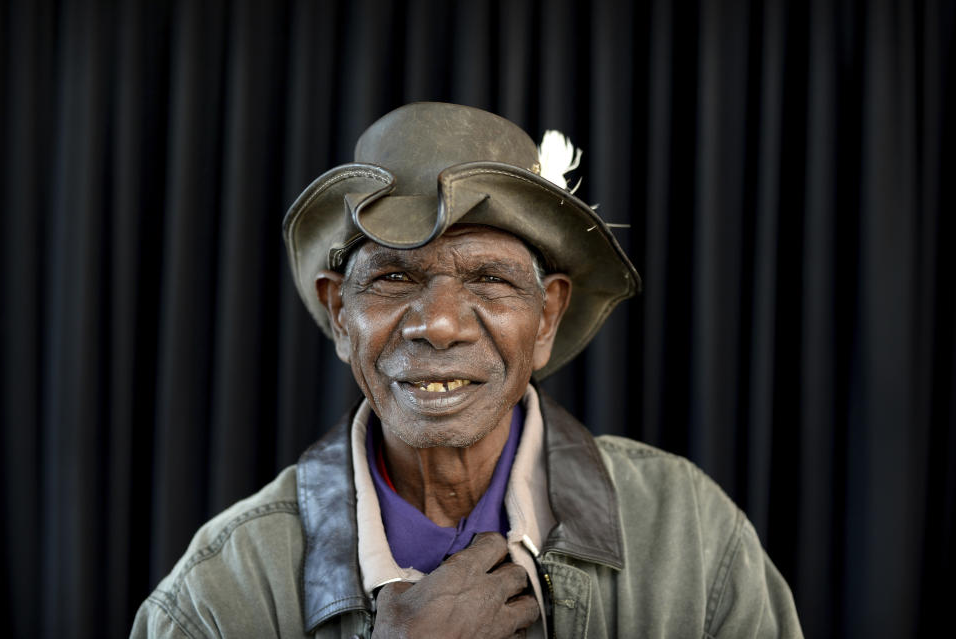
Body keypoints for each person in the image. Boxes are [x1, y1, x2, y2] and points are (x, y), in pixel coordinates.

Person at [131, 102, 803, 638]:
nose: (440, 323)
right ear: (341, 313)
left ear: (546, 317)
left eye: (489, 278)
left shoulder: (693, 537)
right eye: (393, 276)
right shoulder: (218, 597)